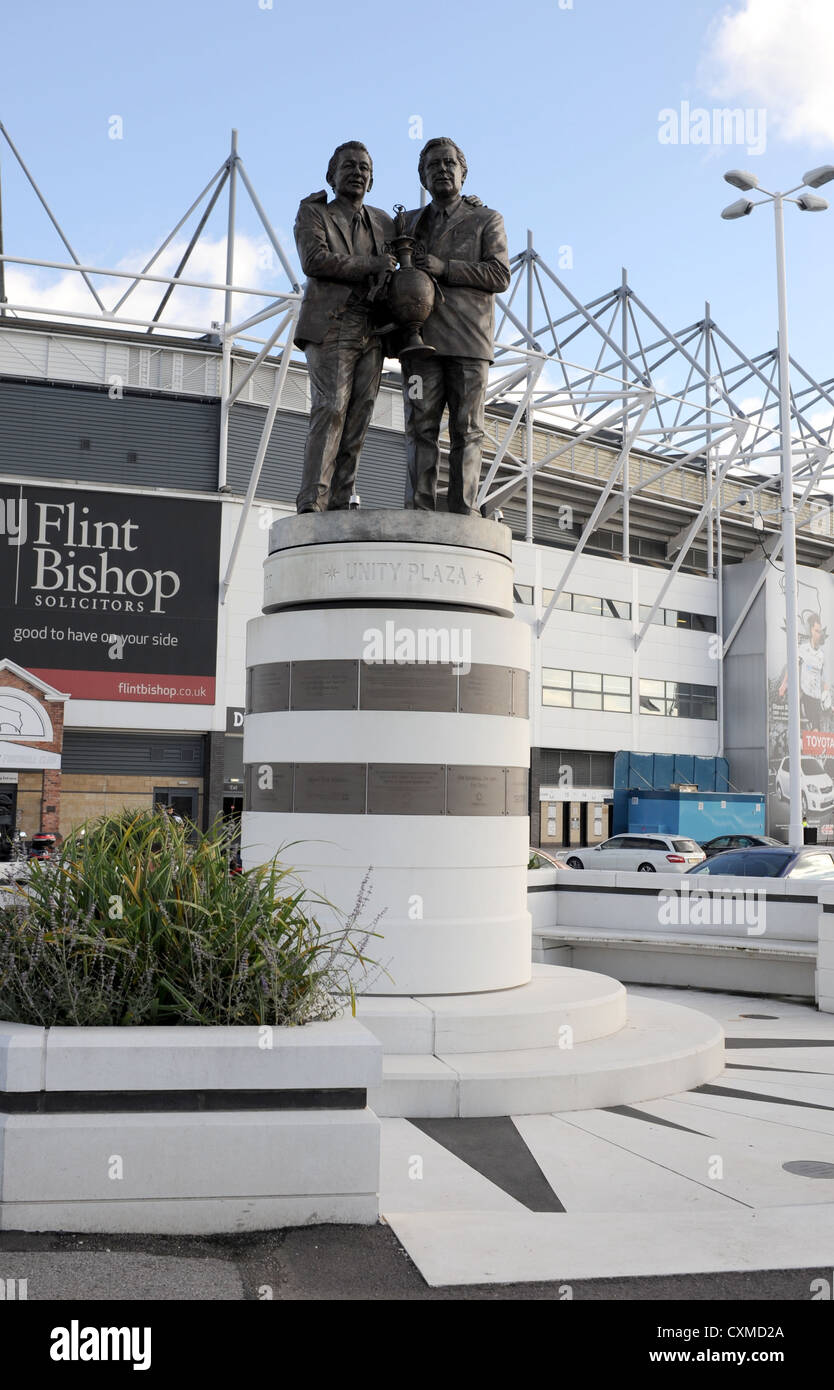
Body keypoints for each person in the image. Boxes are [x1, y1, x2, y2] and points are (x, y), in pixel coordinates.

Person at [398, 137, 511, 514]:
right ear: (422, 176)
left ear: (464, 172)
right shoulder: (408, 223)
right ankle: (419, 510)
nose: (441, 170)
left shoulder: (486, 219)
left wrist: (446, 268)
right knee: (419, 426)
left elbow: (499, 274)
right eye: (433, 166)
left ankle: (462, 511)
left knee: (467, 430)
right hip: (419, 345)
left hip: (469, 343)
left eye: (449, 163)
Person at [293, 143, 396, 512]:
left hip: (373, 328)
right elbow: (315, 260)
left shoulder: (385, 221)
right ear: (331, 175)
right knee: (331, 408)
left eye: (365, 168)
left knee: (359, 416)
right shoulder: (314, 212)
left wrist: (470, 203)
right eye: (348, 166)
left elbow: (428, 226)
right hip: (332, 324)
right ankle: (312, 500)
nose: (358, 172)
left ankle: (340, 500)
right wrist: (371, 265)